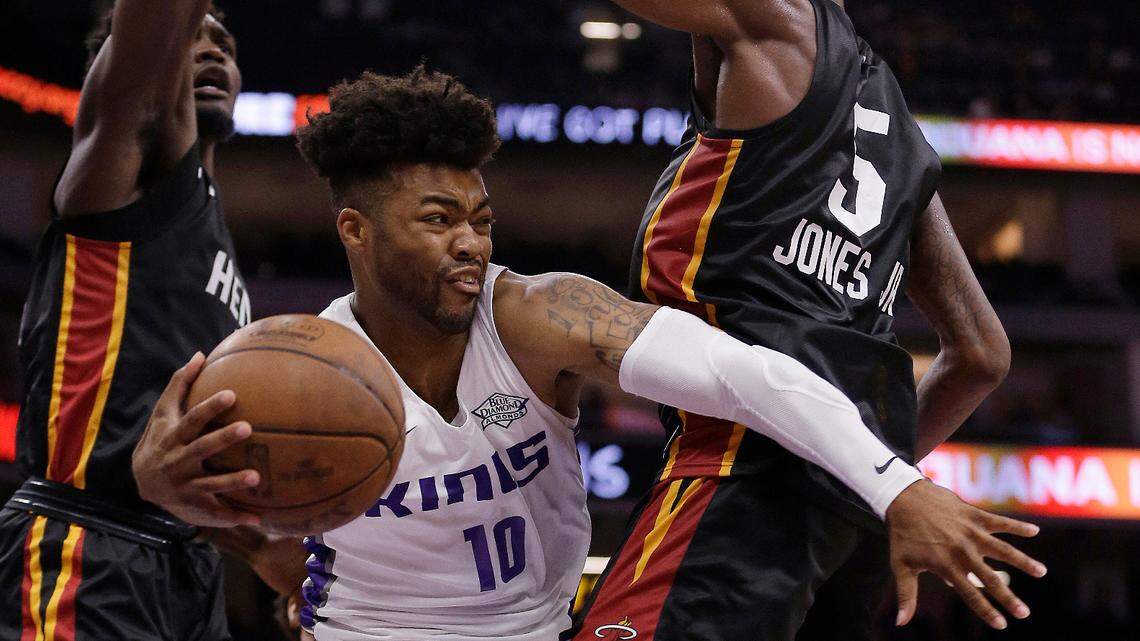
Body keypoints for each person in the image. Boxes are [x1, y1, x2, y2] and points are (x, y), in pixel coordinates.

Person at [131, 67, 1044, 641]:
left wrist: (899, 484)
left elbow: (743, 373)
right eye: (438, 220)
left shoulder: (535, 315)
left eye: (481, 219)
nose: (471, 245)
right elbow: (186, 494)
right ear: (355, 231)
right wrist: (166, 487)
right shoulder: (292, 368)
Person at [572, 1, 1026, 639]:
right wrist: (861, 468)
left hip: (741, 466)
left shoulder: (781, 21)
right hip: (856, 507)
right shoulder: (906, 142)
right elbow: (983, 356)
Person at [0, 2, 298, 639]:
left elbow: (179, 462)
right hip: (86, 545)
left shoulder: (214, 239)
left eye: (227, 41)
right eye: (196, 35)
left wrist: (257, 545)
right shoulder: (119, 165)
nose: (215, 49)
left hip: (188, 568)